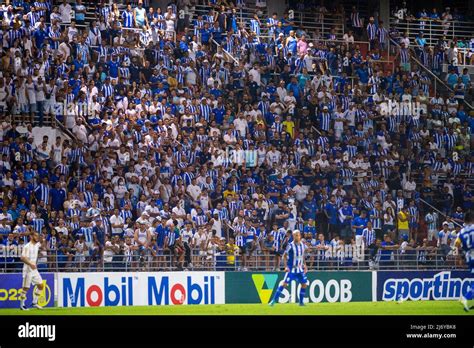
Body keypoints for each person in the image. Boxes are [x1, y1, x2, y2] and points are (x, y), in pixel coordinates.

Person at [269, 230, 308, 306]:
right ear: (293, 236)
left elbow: (302, 256)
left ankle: (301, 302)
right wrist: (286, 266)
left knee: (304, 284)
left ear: (300, 235)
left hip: (299, 269)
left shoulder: (303, 245)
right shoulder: (290, 245)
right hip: (292, 269)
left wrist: (305, 265)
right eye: (294, 235)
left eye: (297, 235)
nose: (296, 236)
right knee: (284, 284)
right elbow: (284, 256)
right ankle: (273, 301)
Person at [19, 231, 45, 310]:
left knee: (41, 285)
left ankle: (34, 302)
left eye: (38, 236)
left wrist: (43, 239)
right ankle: (22, 305)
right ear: (31, 236)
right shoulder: (27, 246)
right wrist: (31, 263)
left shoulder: (37, 245)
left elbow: (42, 244)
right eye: (36, 236)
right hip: (28, 270)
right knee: (26, 288)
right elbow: (23, 258)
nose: (37, 237)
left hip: (34, 270)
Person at [455, 211, 474, 311]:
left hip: (469, 257)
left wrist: (459, 257)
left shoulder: (461, 232)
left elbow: (456, 244)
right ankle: (466, 297)